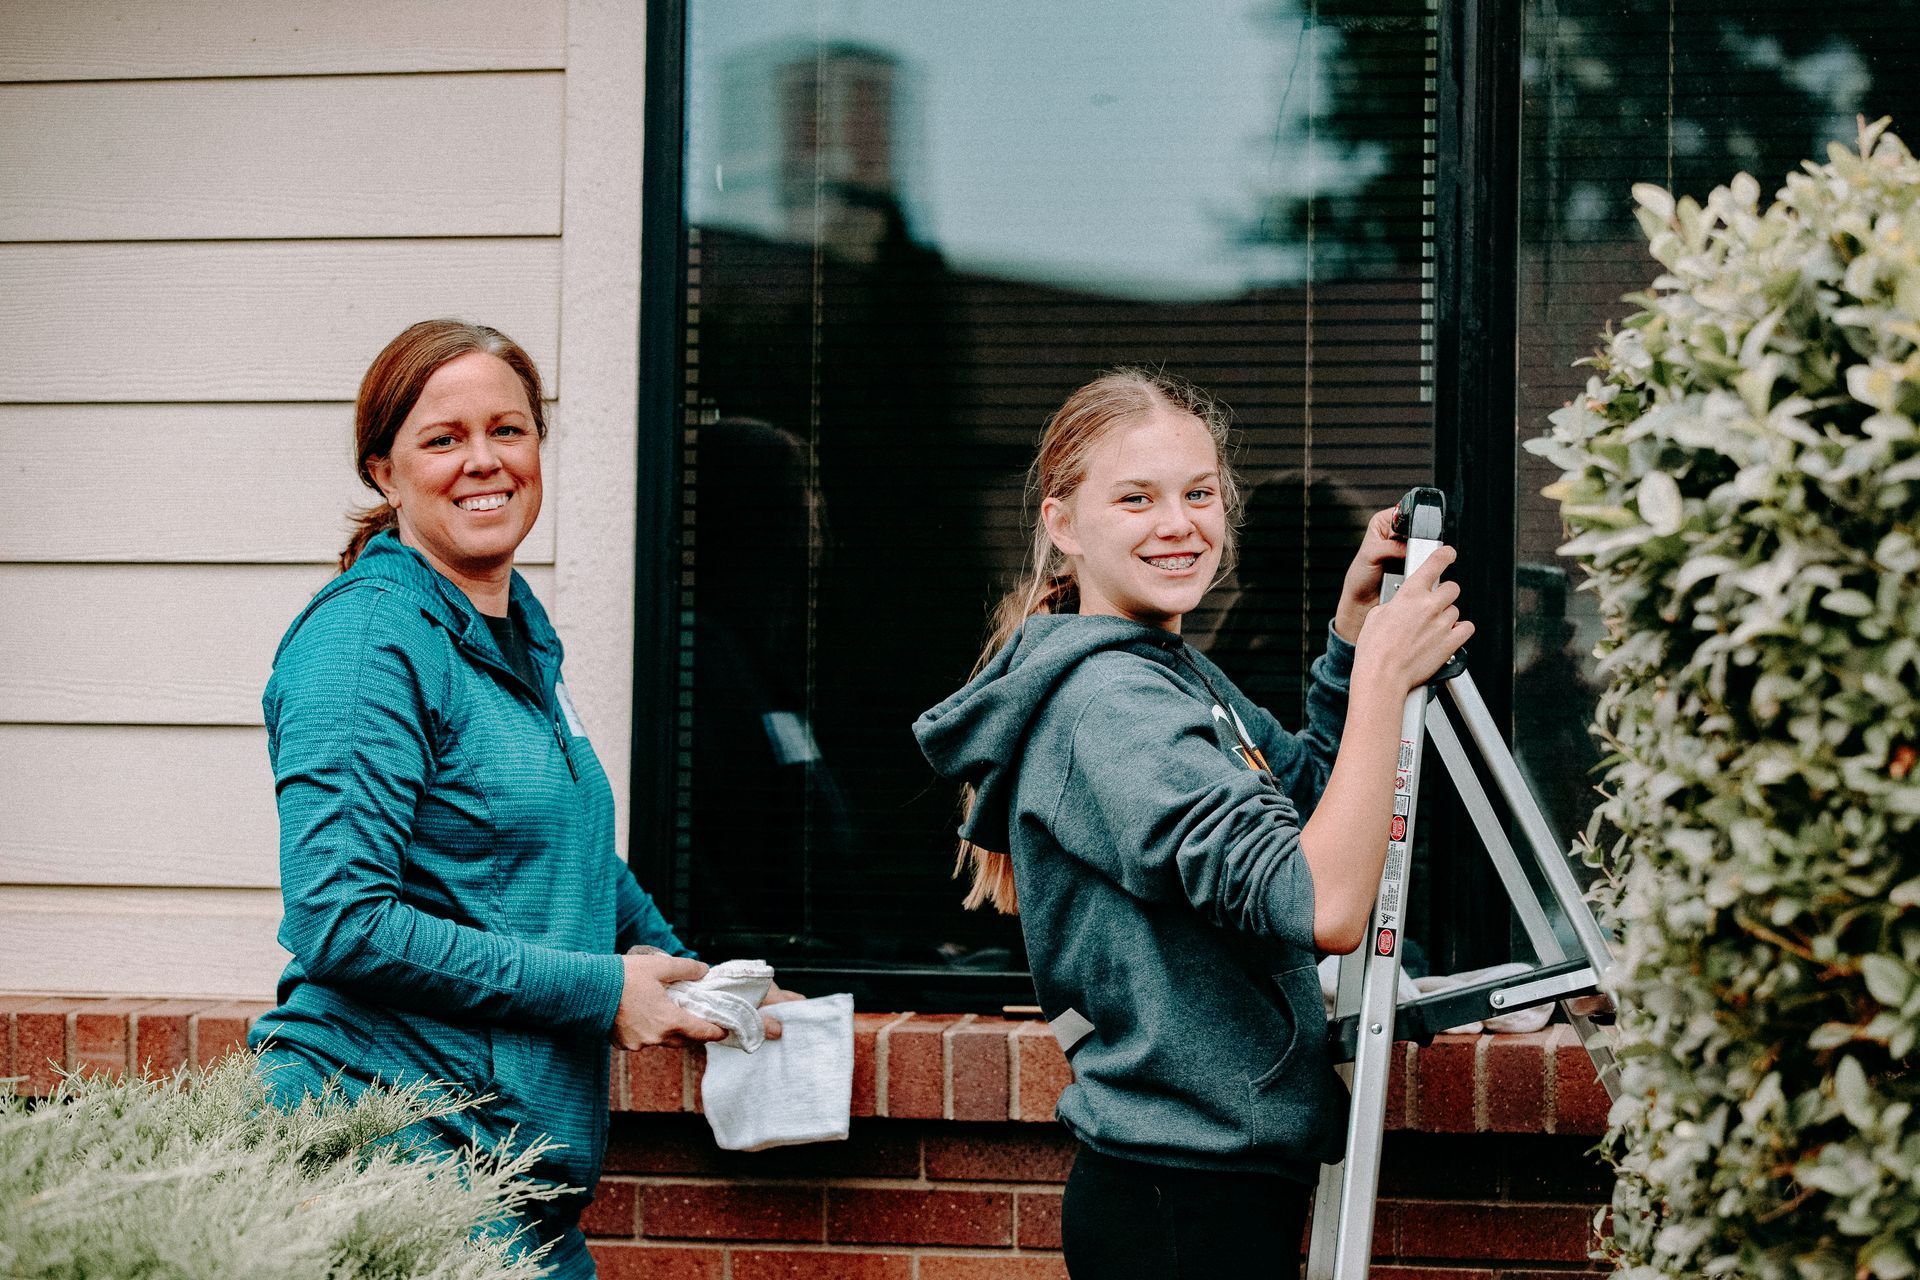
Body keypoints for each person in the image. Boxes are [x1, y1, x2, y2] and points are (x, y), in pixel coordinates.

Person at [249, 318, 794, 1277]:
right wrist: (602, 992)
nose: (483, 461)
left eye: (509, 429)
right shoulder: (369, 646)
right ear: (384, 471)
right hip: (395, 1153)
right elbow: (343, 921)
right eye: (442, 438)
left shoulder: (512, 634)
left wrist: (697, 984)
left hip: (508, 1170)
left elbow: (570, 852)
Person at [912, 369, 1471, 1279]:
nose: (1179, 523)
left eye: (1199, 493)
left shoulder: (1169, 671)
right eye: (1136, 498)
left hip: (1207, 1184)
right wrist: (1381, 680)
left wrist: (1349, 635)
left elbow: (1321, 808)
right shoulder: (1112, 703)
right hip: (1179, 1205)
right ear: (1063, 525)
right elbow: (1323, 900)